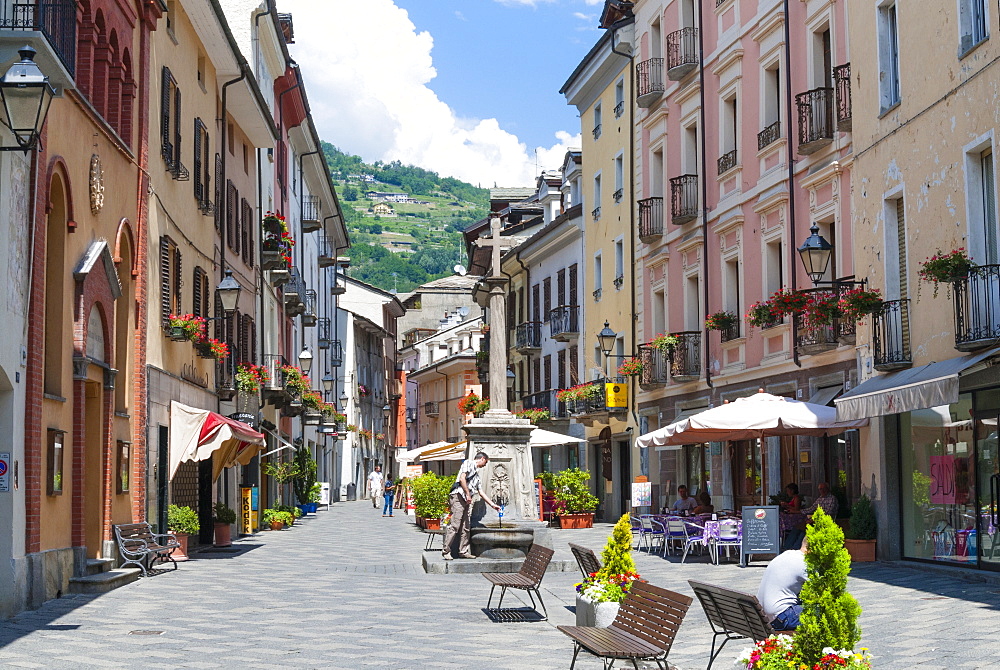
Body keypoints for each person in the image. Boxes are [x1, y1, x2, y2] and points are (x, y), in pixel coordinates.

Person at [442, 452, 501, 560]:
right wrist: (468, 494)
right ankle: (446, 551)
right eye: (485, 462)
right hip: (458, 497)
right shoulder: (468, 463)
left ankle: (463, 551)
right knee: (455, 525)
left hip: (466, 500)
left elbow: (481, 492)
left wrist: (493, 505)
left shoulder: (477, 477)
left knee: (466, 527)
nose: (485, 465)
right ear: (482, 458)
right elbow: (462, 478)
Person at [757, 537, 808, 631]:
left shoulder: (787, 554)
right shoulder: (804, 563)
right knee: (828, 611)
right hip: (781, 617)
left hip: (764, 615)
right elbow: (825, 588)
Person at [783, 482, 838, 550]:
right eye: (820, 489)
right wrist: (797, 512)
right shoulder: (820, 499)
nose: (822, 491)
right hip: (814, 519)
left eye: (824, 489)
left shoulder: (832, 499)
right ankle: (787, 548)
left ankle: (796, 548)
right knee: (797, 527)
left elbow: (828, 513)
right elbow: (811, 509)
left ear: (828, 489)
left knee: (805, 530)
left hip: (825, 521)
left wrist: (814, 519)